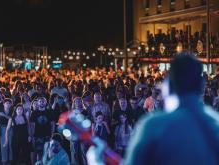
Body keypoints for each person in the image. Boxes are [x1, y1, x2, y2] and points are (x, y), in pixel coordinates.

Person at [87, 51, 219, 165]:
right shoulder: (216, 124)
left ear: (167, 87)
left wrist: (97, 161)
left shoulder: (154, 125)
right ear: (202, 86)